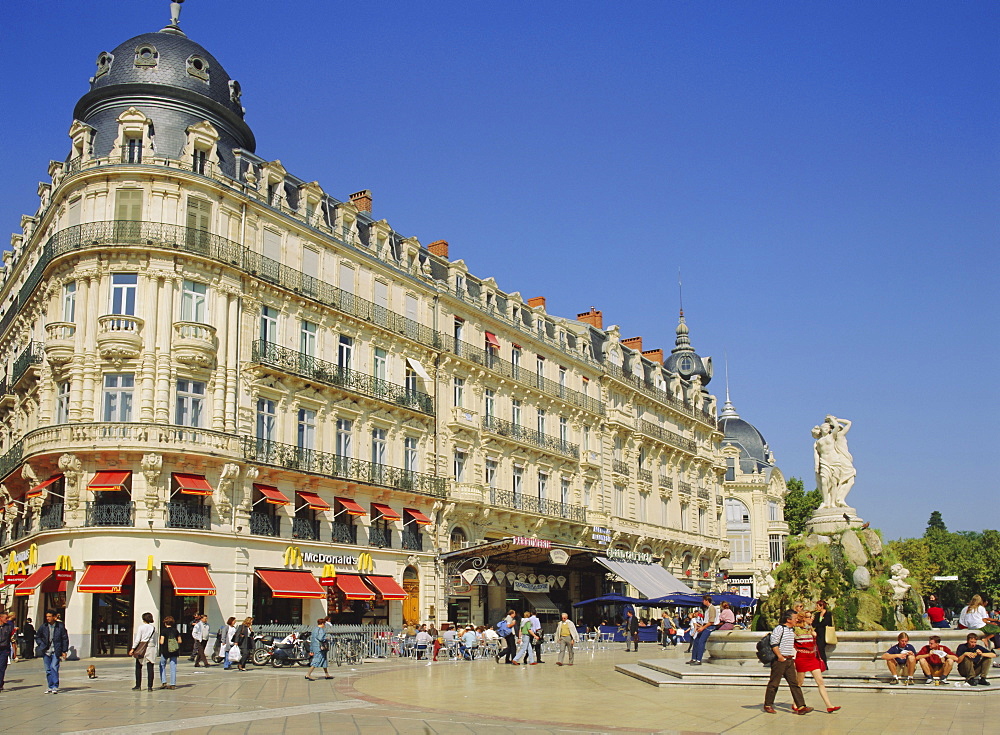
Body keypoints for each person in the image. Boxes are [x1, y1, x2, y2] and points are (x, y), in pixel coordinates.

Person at [762, 609, 812, 715]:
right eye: (795, 618)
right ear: (788, 619)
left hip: (789, 660)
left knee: (794, 683)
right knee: (774, 683)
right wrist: (780, 656)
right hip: (780, 660)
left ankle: (801, 706)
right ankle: (768, 704)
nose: (796, 620)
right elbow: (774, 643)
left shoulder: (791, 629)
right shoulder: (780, 629)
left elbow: (804, 625)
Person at [793, 611, 839, 713]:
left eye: (811, 617)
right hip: (802, 658)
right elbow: (792, 644)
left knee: (820, 681)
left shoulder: (810, 629)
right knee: (799, 683)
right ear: (803, 619)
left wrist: (814, 635)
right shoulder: (796, 630)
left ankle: (829, 705)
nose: (812, 619)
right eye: (809, 617)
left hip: (812, 658)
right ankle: (795, 703)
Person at [35, 609, 69, 694]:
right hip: (46, 650)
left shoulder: (60, 626)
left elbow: (65, 638)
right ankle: (50, 686)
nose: (48, 618)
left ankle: (55, 686)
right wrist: (41, 644)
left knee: (54, 667)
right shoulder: (44, 626)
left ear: (54, 617)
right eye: (47, 616)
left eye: (49, 616)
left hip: (56, 650)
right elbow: (37, 636)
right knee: (48, 669)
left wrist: (64, 650)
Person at [129, 612, 157, 691]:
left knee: (138, 666)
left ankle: (138, 685)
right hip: (151, 647)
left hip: (142, 647)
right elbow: (155, 639)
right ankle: (150, 686)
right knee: (150, 667)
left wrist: (133, 648)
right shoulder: (154, 628)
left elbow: (138, 639)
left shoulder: (141, 627)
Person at [689, 596, 719, 665]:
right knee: (696, 640)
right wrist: (701, 626)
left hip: (710, 626)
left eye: (703, 600)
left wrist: (703, 627)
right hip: (706, 625)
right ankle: (694, 658)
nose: (702, 602)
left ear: (706, 601)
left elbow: (711, 621)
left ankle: (699, 660)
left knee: (701, 641)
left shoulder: (712, 608)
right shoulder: (708, 609)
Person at [158, 615, 182, 689]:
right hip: (174, 651)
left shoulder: (164, 631)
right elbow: (180, 641)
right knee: (173, 667)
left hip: (165, 651)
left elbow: (161, 642)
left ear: (165, 623)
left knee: (162, 665)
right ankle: (173, 684)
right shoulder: (176, 631)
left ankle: (164, 682)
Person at [812, 599, 833, 664]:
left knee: (821, 649)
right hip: (818, 634)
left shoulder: (828, 614)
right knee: (819, 649)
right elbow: (814, 624)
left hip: (825, 633)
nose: (816, 607)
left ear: (822, 606)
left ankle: (824, 664)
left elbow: (826, 623)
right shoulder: (817, 614)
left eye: (817, 606)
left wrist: (819, 623)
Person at [0, 610, 14, 693]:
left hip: (4, 649)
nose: (7, 619)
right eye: (6, 618)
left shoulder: (8, 626)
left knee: (2, 667)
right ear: (0, 618)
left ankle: (0, 684)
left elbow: (10, 637)